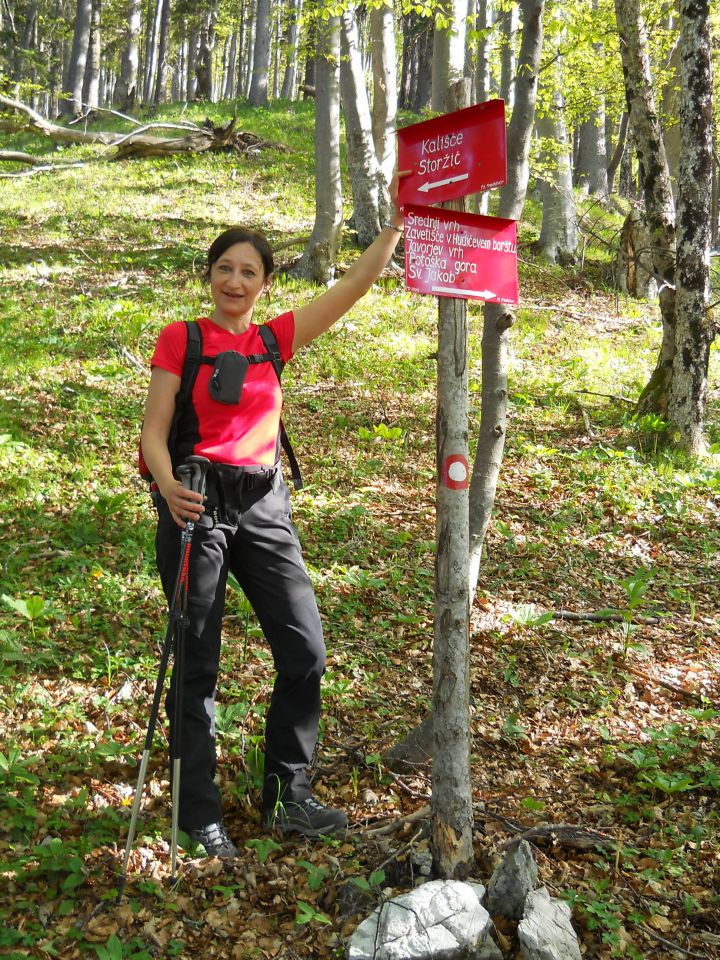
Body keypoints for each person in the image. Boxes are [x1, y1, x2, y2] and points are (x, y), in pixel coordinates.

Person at [140, 183, 404, 859]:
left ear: (264, 282)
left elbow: (350, 288)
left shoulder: (274, 339)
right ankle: (196, 816)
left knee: (305, 651)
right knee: (197, 663)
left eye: (248, 270)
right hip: (194, 501)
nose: (234, 279)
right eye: (224, 268)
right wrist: (168, 487)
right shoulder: (182, 339)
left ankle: (288, 798)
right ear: (209, 276)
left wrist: (395, 229)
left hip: (263, 504)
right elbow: (154, 431)